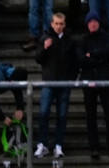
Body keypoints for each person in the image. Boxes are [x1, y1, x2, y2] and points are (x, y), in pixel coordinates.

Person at [34, 12, 78, 160]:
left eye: (61, 24)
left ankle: (58, 145)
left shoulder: (70, 40)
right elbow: (38, 59)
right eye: (56, 24)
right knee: (44, 112)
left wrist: (71, 79)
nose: (58, 27)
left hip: (64, 82)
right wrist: (45, 48)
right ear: (52, 24)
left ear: (64, 25)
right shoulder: (45, 38)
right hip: (49, 81)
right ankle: (43, 144)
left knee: (62, 115)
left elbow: (75, 62)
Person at [79, 11, 109, 159]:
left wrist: (93, 55)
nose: (93, 24)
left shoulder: (106, 38)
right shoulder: (83, 40)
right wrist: (98, 58)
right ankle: (94, 147)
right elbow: (81, 59)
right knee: (91, 115)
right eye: (90, 22)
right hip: (89, 81)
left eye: (95, 21)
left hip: (105, 79)